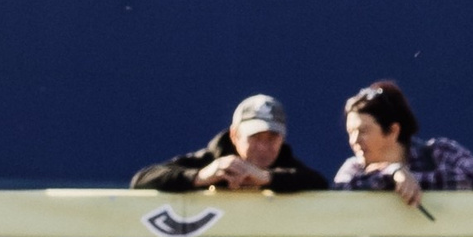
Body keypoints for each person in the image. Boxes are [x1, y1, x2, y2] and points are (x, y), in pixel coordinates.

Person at [130, 94, 328, 192]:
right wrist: (199, 177)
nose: (263, 146)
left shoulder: (288, 166)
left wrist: (267, 178)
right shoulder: (212, 160)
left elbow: (318, 184)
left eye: (272, 138)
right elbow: (142, 180)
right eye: (255, 137)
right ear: (235, 136)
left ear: (282, 139)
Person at [333, 81, 473, 204]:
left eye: (363, 131)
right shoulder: (353, 169)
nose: (354, 141)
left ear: (393, 131)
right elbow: (340, 192)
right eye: (351, 133)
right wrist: (393, 173)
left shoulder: (439, 152)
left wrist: (412, 180)